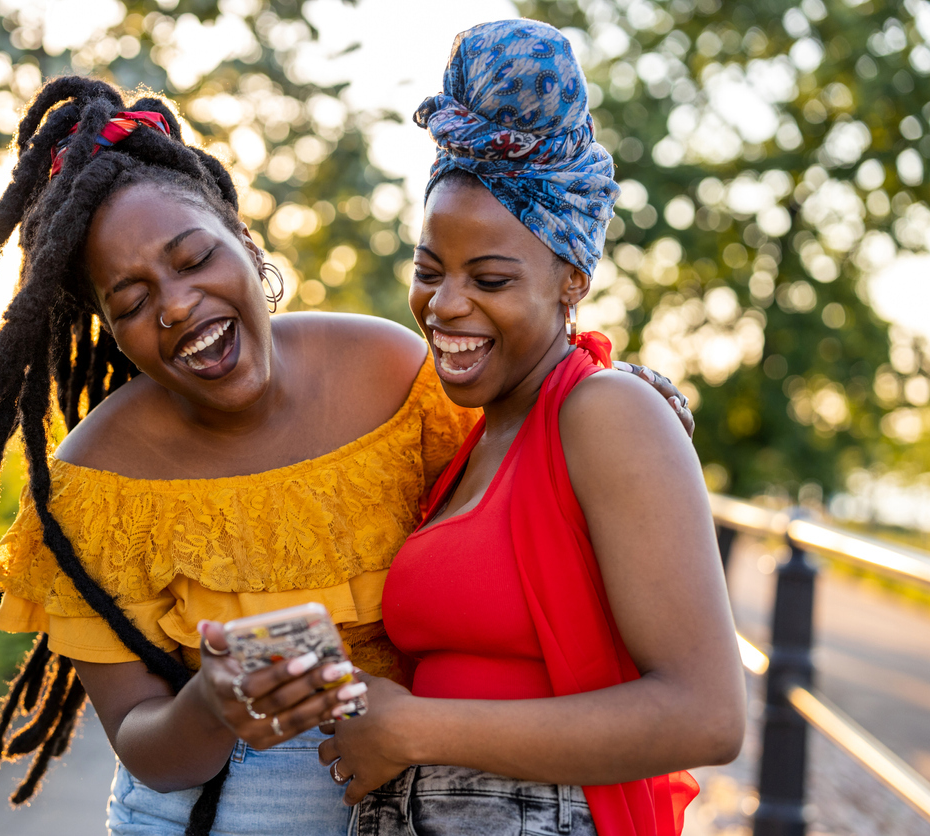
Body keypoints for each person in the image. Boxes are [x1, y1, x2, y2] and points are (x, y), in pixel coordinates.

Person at [0, 75, 694, 836]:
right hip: (229, 803)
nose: (173, 304)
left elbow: (521, 465)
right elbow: (146, 748)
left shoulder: (394, 369)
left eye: (194, 257)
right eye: (130, 299)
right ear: (110, 329)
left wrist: (619, 395)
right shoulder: (92, 485)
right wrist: (213, 702)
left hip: (416, 792)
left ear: (244, 240)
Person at [313, 20, 746, 836]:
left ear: (571, 281)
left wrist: (415, 729)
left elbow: (707, 715)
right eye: (430, 270)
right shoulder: (467, 440)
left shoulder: (606, 413)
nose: (443, 305)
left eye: (491, 278)